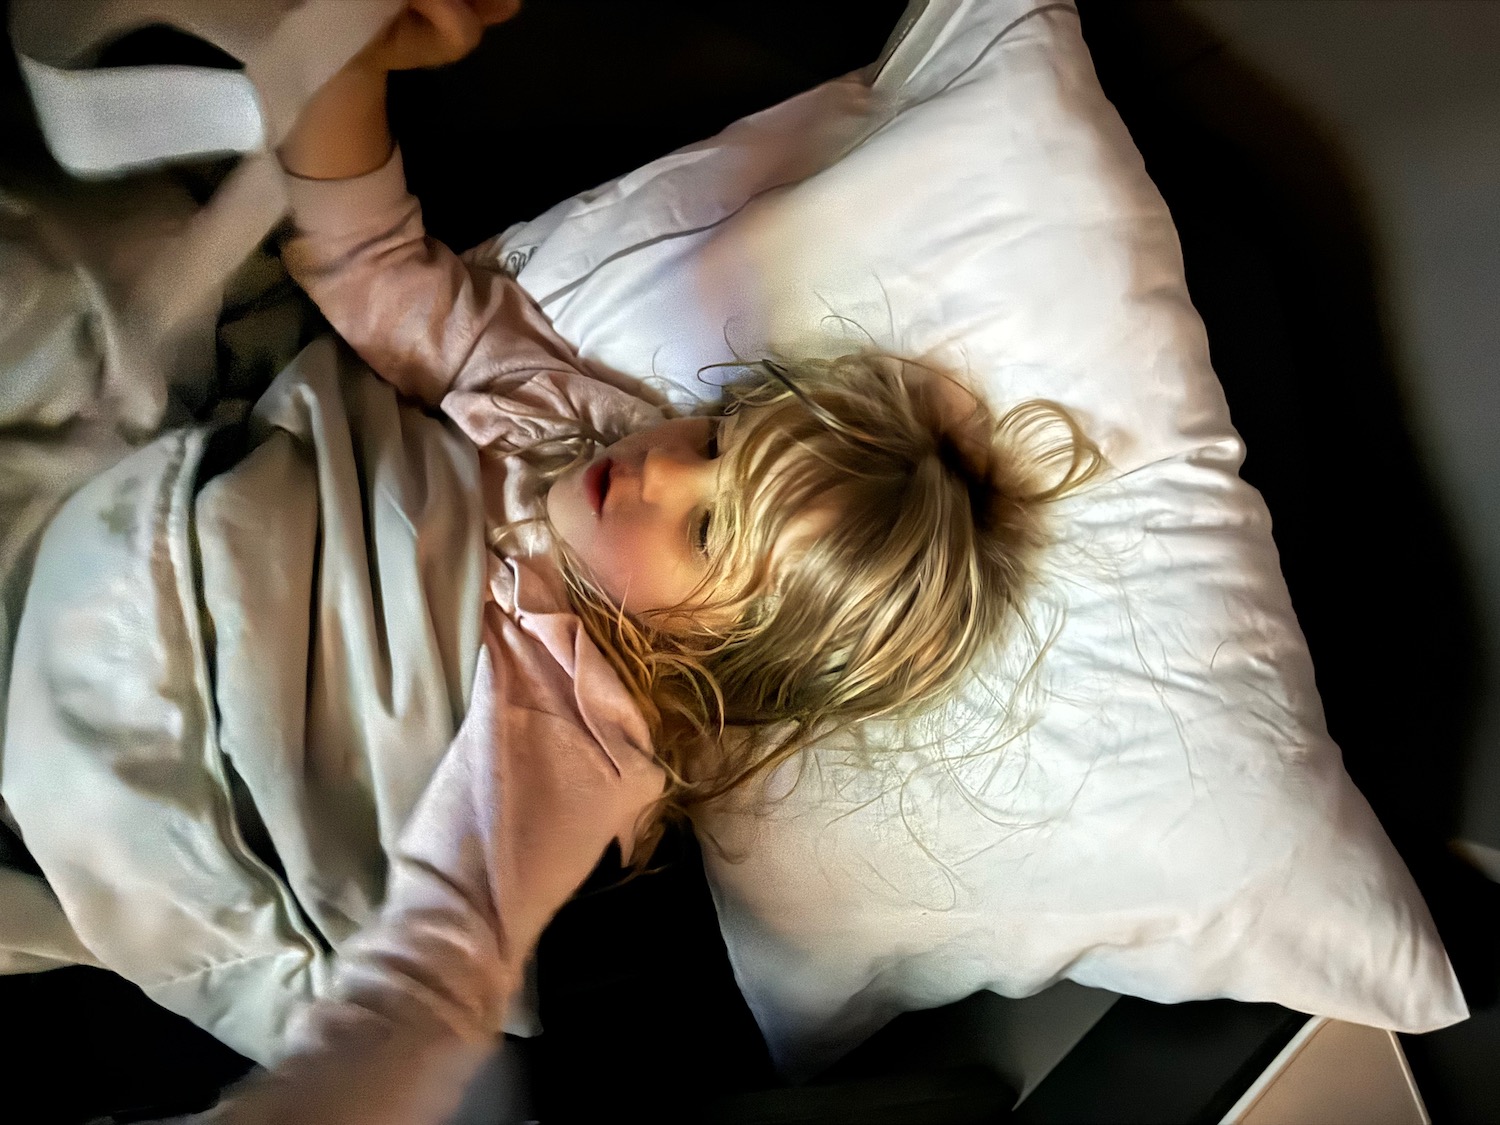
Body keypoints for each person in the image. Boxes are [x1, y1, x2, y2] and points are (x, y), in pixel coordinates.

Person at [206, 1, 1101, 1120]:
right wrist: (343, 55)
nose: (663, 471)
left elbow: (449, 941)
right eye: (720, 438)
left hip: (204, 706)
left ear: (716, 645)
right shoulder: (561, 413)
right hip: (205, 495)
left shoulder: (584, 723)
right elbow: (372, 263)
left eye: (708, 531)